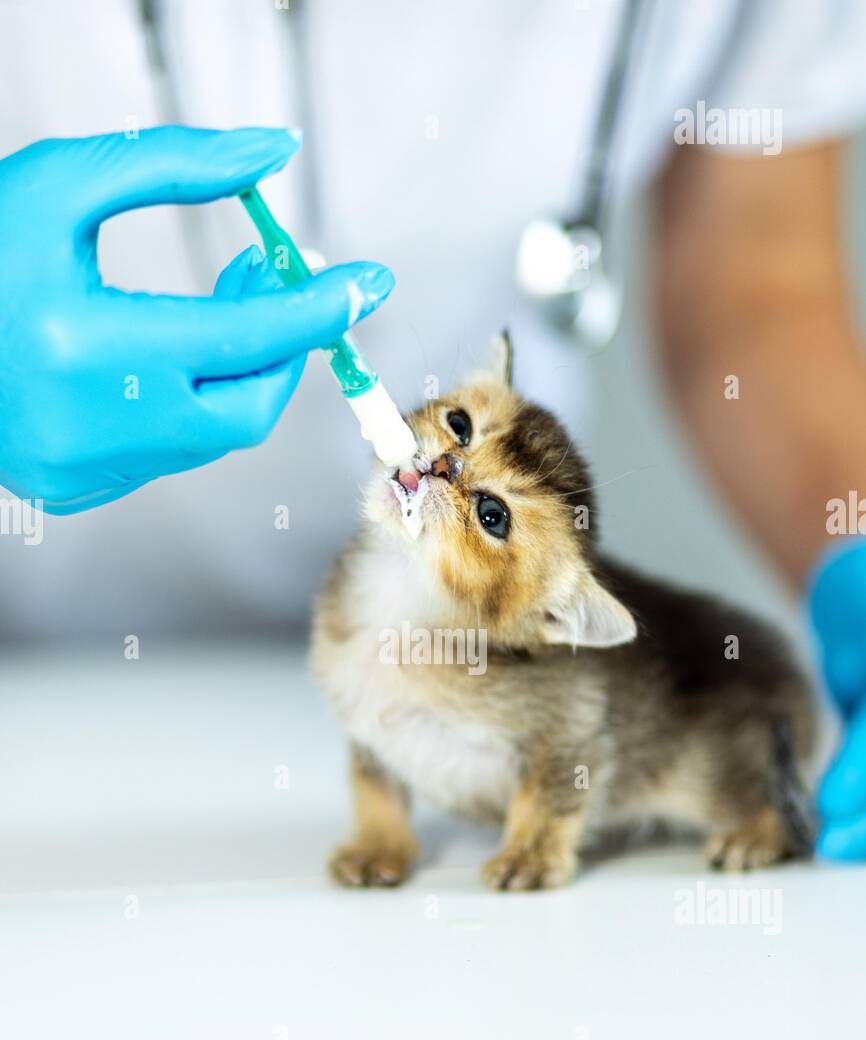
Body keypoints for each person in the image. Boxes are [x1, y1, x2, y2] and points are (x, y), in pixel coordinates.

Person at [1, 0, 866, 859]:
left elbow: (760, 283)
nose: (448, 466)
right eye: (458, 426)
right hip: (33, 669)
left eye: (491, 511)